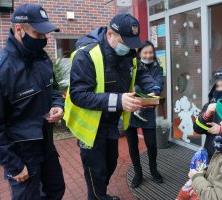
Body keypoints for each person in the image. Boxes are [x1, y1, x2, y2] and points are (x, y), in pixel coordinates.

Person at [0, 4, 65, 199]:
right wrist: (14, 165)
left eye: (45, 34)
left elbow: (54, 89)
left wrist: (58, 105)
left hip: (47, 146)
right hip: (22, 156)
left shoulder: (42, 60)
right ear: (18, 29)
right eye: (38, 34)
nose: (44, 39)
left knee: (56, 190)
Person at [64, 14, 160, 200]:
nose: (130, 48)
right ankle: (98, 197)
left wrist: (153, 89)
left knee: (110, 163)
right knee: (95, 173)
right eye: (126, 42)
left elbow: (141, 73)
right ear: (110, 34)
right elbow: (78, 95)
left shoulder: (128, 55)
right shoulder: (87, 55)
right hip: (90, 129)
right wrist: (119, 101)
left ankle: (101, 195)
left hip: (111, 125)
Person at [126, 40, 164, 188]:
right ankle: (138, 172)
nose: (148, 55)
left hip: (147, 112)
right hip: (130, 110)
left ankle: (153, 170)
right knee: (132, 144)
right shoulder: (132, 66)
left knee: (151, 144)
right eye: (145, 52)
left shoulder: (157, 68)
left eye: (150, 53)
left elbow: (158, 86)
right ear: (139, 53)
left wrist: (147, 92)